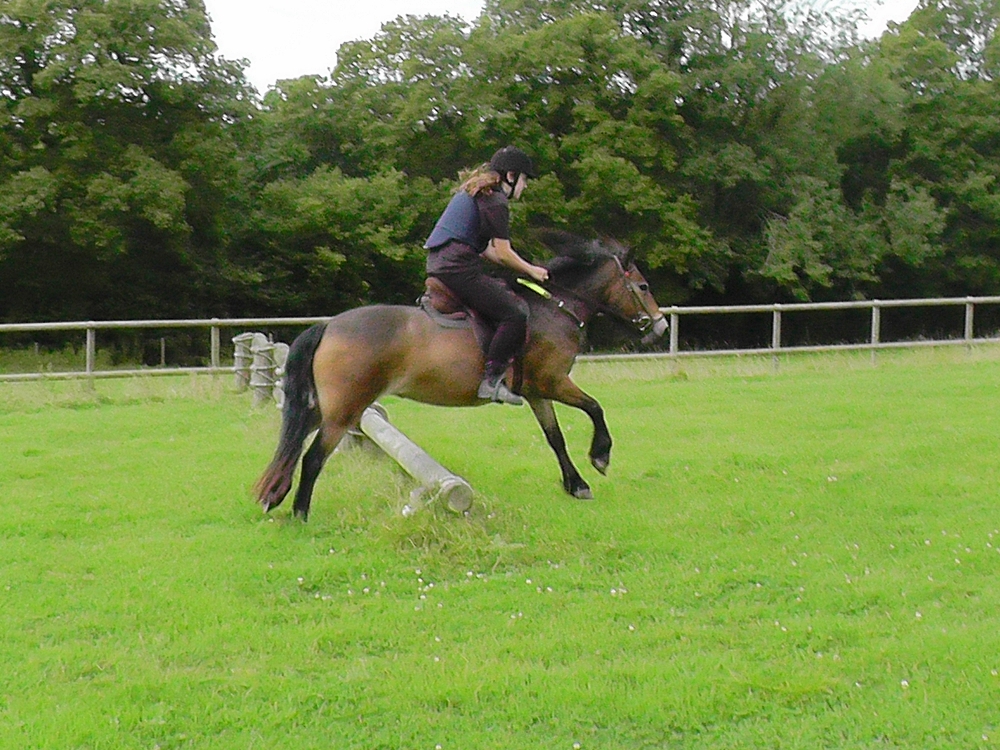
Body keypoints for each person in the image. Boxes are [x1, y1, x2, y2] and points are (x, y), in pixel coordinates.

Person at [424, 146, 550, 406]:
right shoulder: (496, 201)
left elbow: (488, 251)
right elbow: (503, 252)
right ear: (511, 176)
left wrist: (523, 266)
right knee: (514, 314)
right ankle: (491, 381)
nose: (525, 186)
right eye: (524, 180)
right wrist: (531, 270)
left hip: (444, 263)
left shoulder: (479, 193)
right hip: (458, 267)